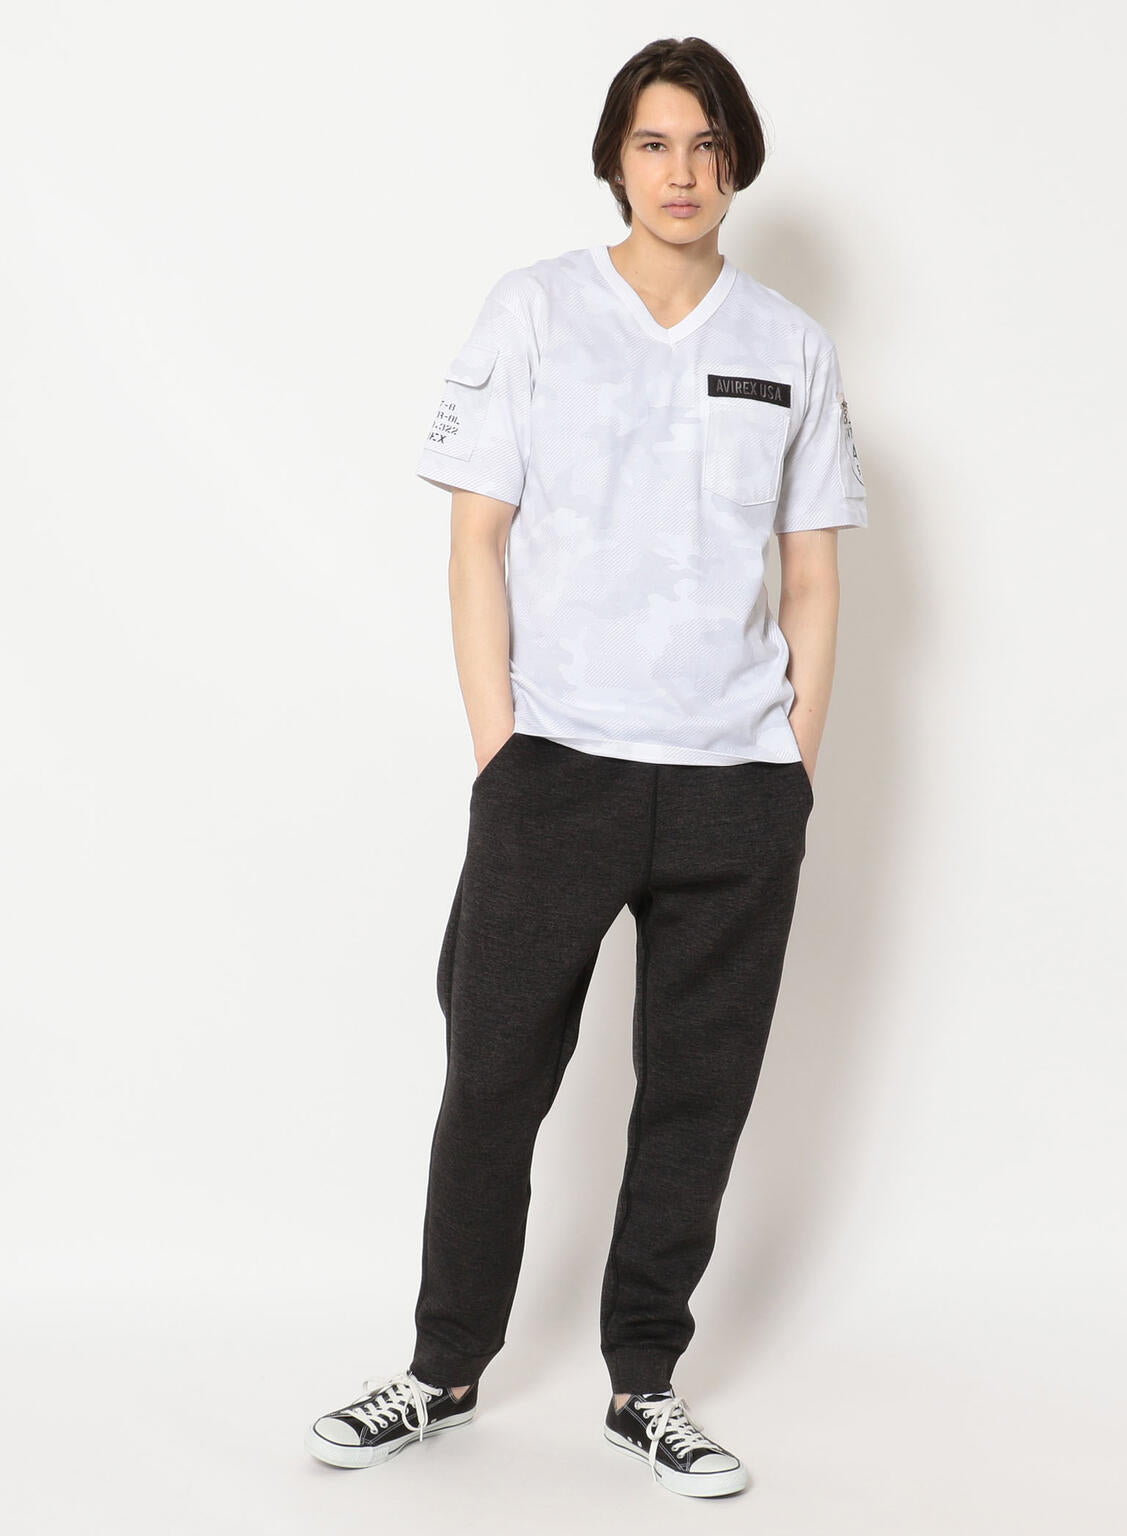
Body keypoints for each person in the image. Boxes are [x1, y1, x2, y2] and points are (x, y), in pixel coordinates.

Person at [305, 35, 868, 1499]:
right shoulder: (536, 310)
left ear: (737, 163)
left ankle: (644, 1384)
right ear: (616, 159)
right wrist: (503, 753)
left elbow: (814, 577)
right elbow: (474, 542)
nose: (681, 172)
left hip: (735, 786)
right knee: (493, 1079)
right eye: (653, 143)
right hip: (557, 769)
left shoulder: (791, 345)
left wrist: (790, 768)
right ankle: (442, 1369)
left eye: (706, 145)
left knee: (697, 1096)